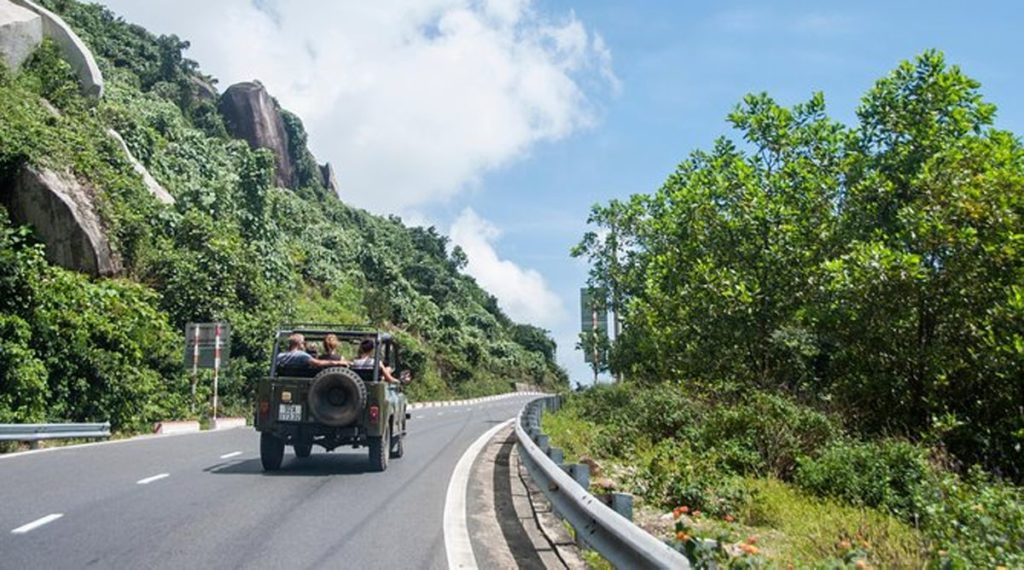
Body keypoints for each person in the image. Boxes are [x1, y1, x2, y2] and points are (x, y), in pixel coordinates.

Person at [275, 333, 344, 372]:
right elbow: (318, 363)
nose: (304, 345)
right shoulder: (302, 356)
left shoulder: (280, 356)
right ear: (299, 344)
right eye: (303, 343)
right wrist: (338, 362)